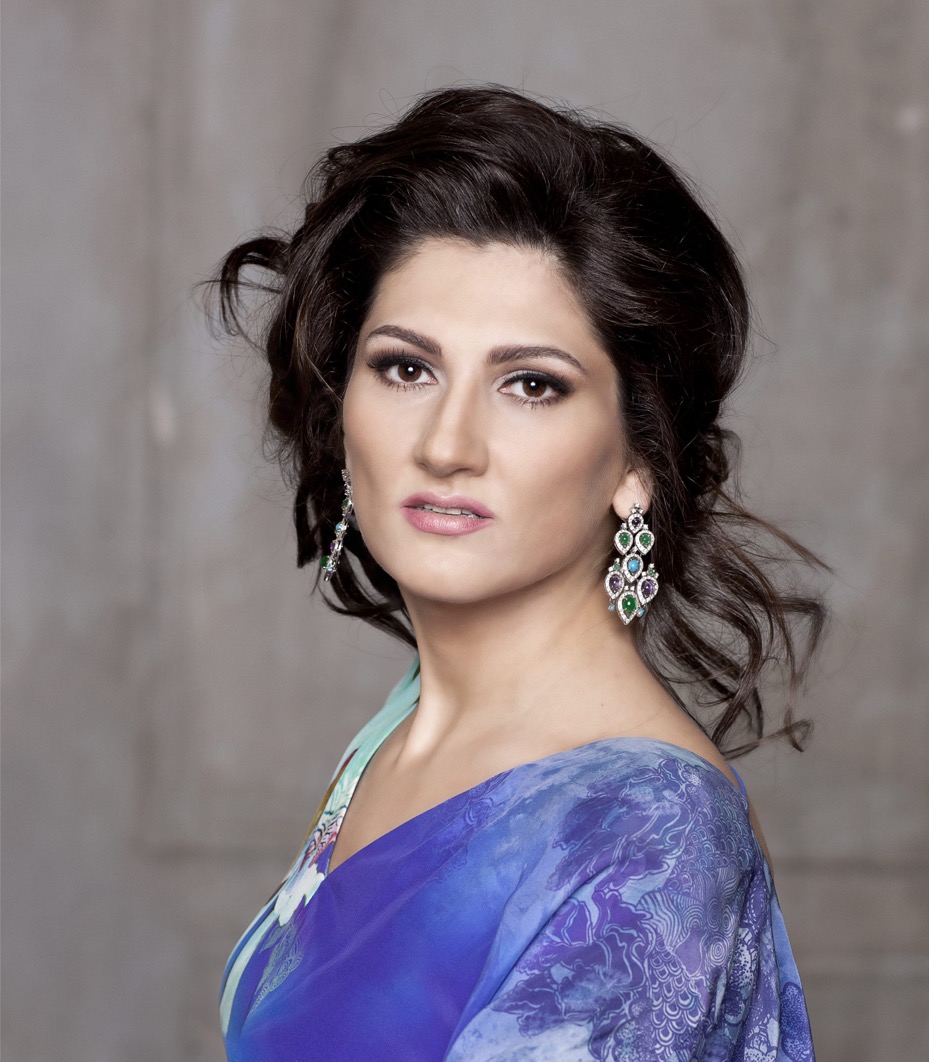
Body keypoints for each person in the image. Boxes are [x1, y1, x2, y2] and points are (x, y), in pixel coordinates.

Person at [212, 85, 826, 1061]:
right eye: (405, 368)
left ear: (638, 458)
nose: (446, 444)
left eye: (531, 384)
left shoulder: (650, 834)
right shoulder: (406, 727)